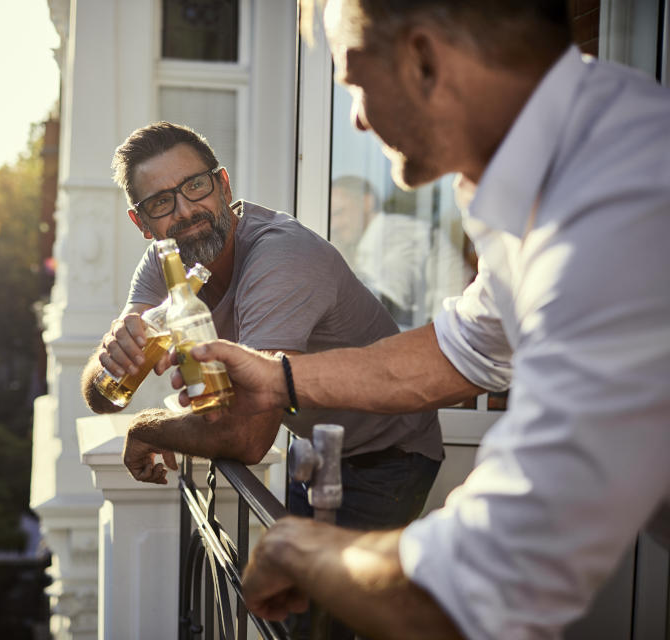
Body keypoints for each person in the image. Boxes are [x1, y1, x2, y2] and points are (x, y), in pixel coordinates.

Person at [174, 0, 670, 637]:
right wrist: (277, 377)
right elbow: (457, 352)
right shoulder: (558, 163)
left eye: (354, 80)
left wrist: (299, 548)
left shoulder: (613, 214)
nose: (353, 117)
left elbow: (479, 587)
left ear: (424, 60)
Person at [80, 121, 443, 535]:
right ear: (142, 222)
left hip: (386, 452)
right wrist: (111, 354)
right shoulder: (166, 263)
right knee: (291, 588)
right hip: (312, 446)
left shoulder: (281, 257)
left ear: (223, 186)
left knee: (326, 594)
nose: (185, 211)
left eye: (195, 186)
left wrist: (150, 428)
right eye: (161, 202)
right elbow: (106, 395)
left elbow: (248, 438)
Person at [329, 174, 472, 329]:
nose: (333, 226)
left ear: (367, 202)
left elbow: (382, 307)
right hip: (440, 332)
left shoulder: (397, 234)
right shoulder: (367, 241)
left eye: (338, 213)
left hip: (456, 334)